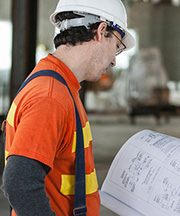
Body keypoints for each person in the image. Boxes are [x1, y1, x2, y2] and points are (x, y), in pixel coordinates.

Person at [1, 0, 135, 215]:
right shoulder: (51, 96)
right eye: (117, 46)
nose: (113, 62)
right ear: (101, 31)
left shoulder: (59, 86)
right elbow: (19, 183)